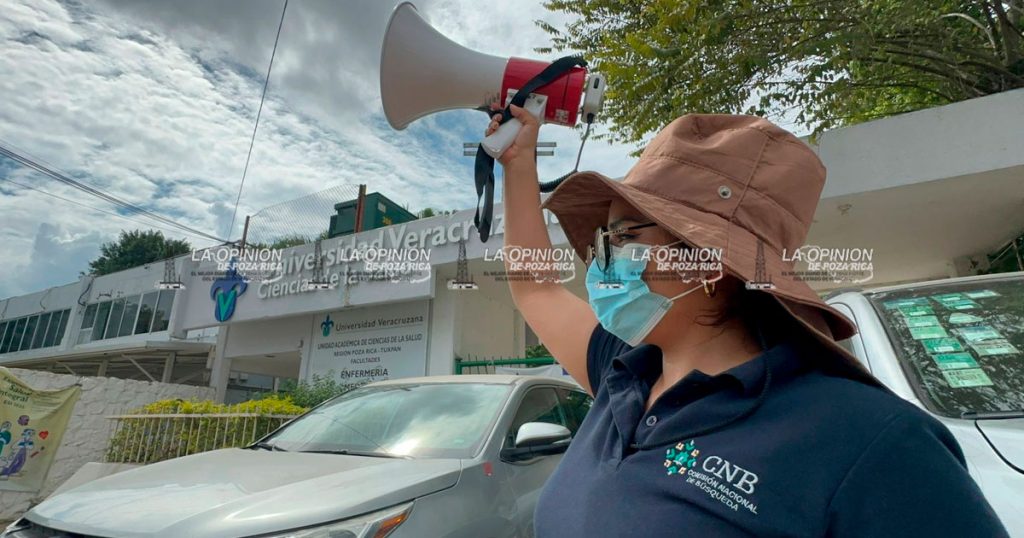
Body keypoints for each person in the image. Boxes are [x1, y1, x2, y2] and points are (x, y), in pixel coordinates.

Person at [486, 105, 1009, 537]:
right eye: (603, 239)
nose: (600, 261)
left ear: (710, 262)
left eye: (623, 237)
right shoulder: (622, 376)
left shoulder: (875, 444)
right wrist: (518, 162)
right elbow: (535, 285)